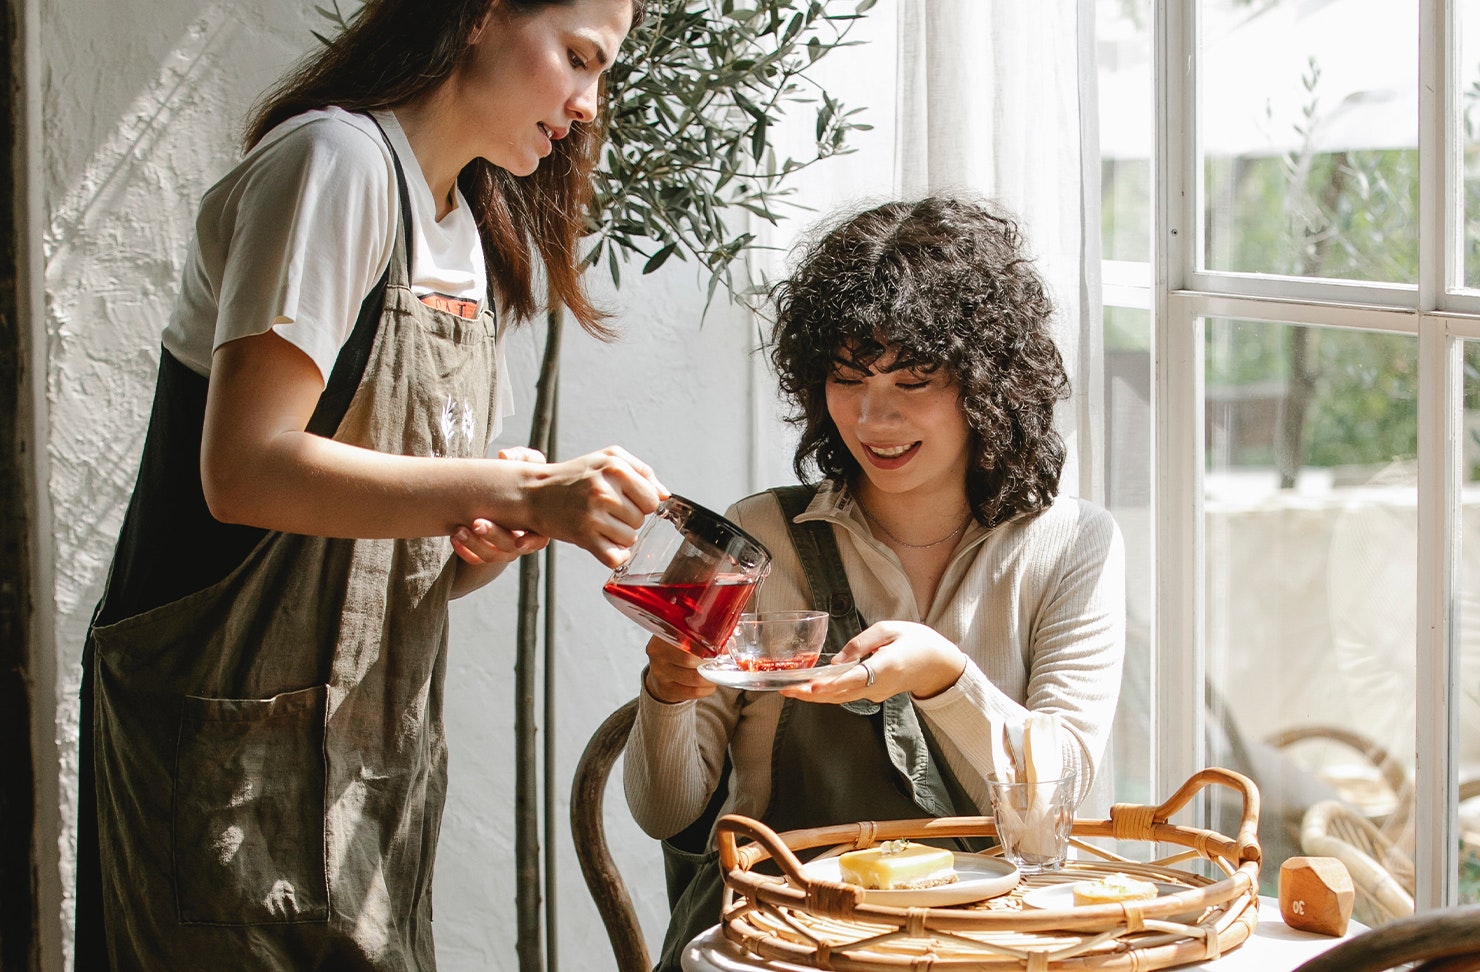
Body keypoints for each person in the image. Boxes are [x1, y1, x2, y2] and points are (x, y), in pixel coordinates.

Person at [75, 1, 661, 968]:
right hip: (224, 747)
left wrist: (488, 535)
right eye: (577, 57)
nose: (588, 104)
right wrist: (511, 492)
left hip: (365, 760)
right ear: (480, 15)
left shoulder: (466, 231)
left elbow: (399, 553)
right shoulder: (334, 165)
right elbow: (245, 470)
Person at [621, 195, 1127, 968]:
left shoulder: (1071, 546)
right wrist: (667, 690)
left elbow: (1053, 808)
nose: (873, 417)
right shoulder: (761, 537)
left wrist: (945, 678)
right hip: (782, 940)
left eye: (914, 380)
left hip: (987, 948)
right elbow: (665, 812)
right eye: (848, 376)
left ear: (986, 383)